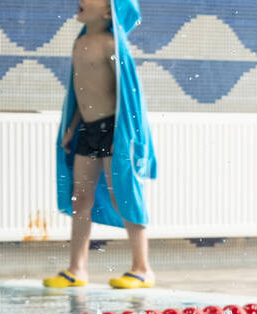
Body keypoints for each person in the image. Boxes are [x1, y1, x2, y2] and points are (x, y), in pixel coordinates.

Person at [43, 0, 157, 290]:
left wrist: (131, 136)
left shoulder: (112, 45)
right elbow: (81, 92)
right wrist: (70, 128)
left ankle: (142, 268)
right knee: (80, 197)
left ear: (109, 11)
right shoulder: (80, 41)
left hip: (114, 130)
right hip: (88, 130)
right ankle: (77, 268)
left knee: (124, 196)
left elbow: (129, 94)